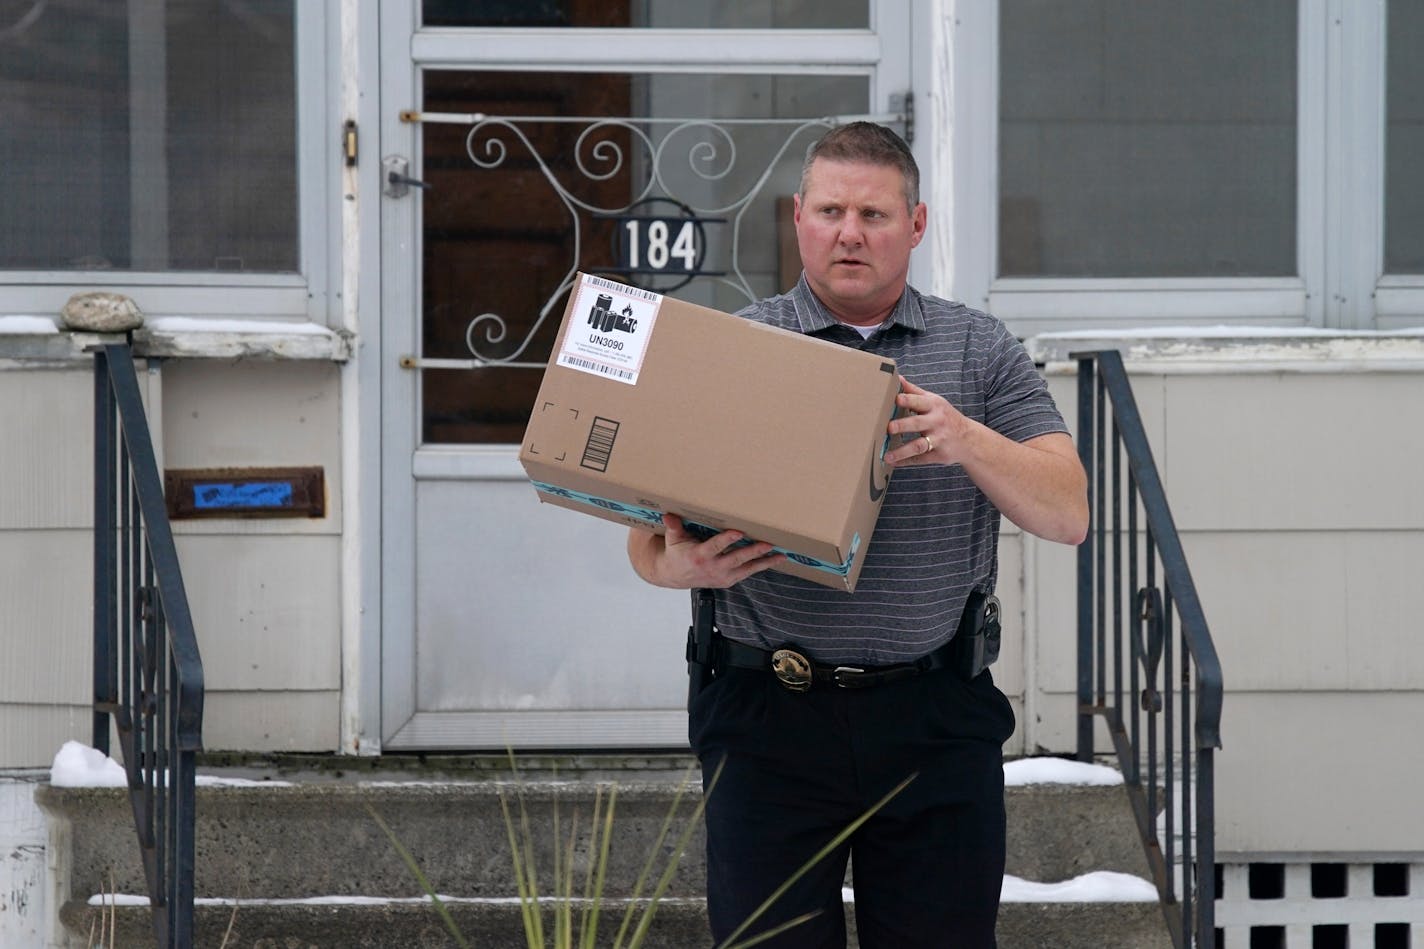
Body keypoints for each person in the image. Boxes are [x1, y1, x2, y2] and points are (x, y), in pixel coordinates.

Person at [625, 122, 1089, 948]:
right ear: (797, 217)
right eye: (831, 210)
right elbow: (643, 535)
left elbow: (1069, 511)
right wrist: (678, 563)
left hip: (935, 717)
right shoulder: (740, 344)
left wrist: (965, 437)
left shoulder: (977, 350)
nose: (849, 232)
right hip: (768, 715)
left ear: (915, 225)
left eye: (874, 215)